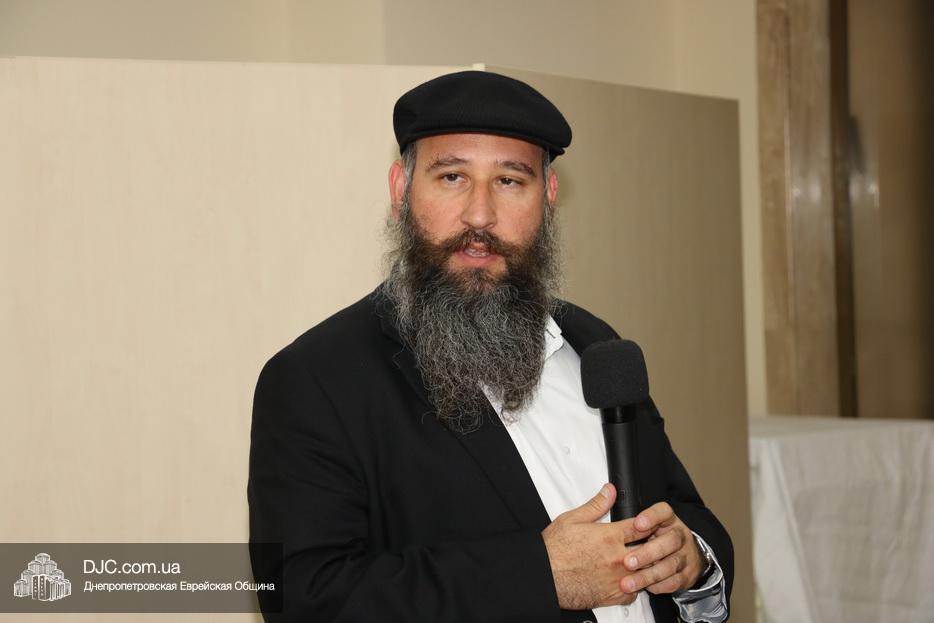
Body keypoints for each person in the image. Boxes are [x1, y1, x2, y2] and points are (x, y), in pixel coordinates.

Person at [248, 70, 733, 623]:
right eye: (452, 176)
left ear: (548, 197)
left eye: (509, 181)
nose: (480, 215)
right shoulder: (315, 380)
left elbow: (682, 508)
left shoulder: (594, 345)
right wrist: (540, 576)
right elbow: (303, 598)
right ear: (401, 190)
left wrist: (693, 558)